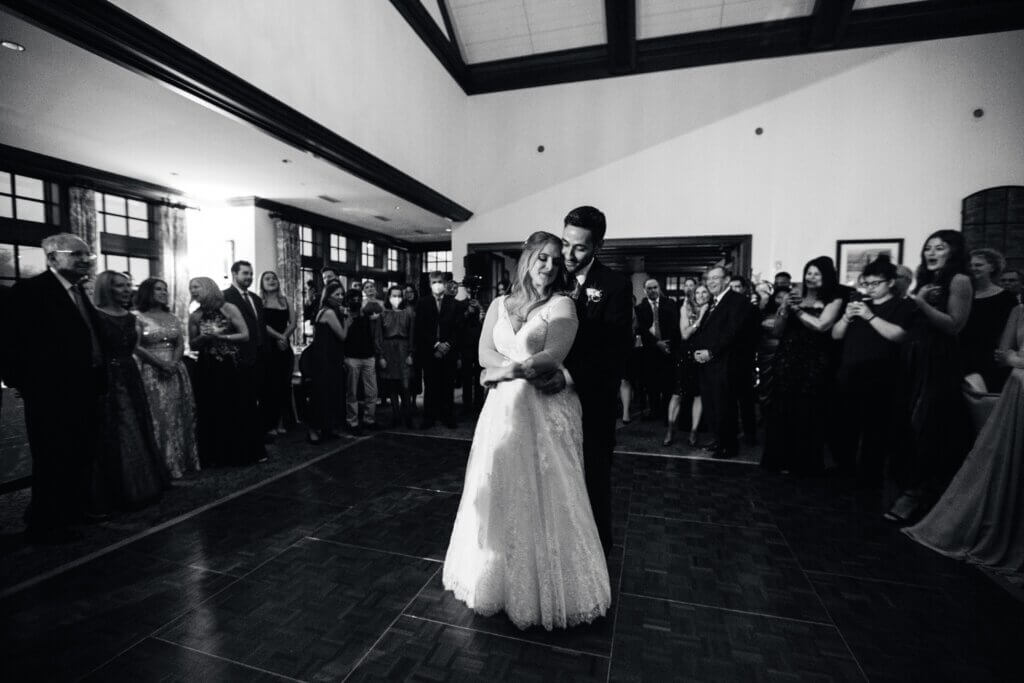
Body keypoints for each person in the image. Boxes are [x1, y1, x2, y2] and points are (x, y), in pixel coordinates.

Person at [442, 230, 611, 630]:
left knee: (548, 489)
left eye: (556, 260)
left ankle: (550, 588)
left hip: (544, 406)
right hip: (502, 409)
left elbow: (554, 354)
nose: (550, 267)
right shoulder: (500, 303)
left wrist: (508, 371)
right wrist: (499, 370)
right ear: (528, 259)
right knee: (498, 484)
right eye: (543, 258)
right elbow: (483, 351)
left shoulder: (563, 304)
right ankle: (495, 579)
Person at [903, 304, 1024, 582]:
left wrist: (1015, 359)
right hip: (1017, 392)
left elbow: (1010, 356)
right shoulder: (1018, 310)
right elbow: (1001, 355)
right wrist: (1014, 360)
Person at [536, 205, 632, 554]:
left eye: (580, 247)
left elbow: (616, 353)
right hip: (547, 402)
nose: (569, 254)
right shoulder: (549, 278)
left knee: (592, 483)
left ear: (598, 246)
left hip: (591, 403)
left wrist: (570, 378)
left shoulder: (615, 286)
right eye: (566, 243)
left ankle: (597, 561)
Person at [8, 234, 103, 543]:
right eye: (76, 254)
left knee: (80, 453)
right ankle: (45, 523)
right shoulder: (31, 292)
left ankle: (72, 511)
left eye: (87, 255)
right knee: (52, 457)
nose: (85, 260)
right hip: (50, 393)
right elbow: (11, 343)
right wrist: (23, 383)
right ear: (52, 258)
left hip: (84, 389)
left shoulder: (78, 292)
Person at [887, 230, 974, 524]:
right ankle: (909, 489)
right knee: (906, 425)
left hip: (938, 363)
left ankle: (920, 494)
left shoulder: (959, 281)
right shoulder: (926, 281)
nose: (931, 252)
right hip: (913, 359)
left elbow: (954, 325)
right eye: (928, 248)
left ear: (954, 251)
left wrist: (920, 303)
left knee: (927, 427)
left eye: (940, 247)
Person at [830, 256, 915, 485]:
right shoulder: (859, 304)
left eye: (874, 283)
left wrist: (870, 316)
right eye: (866, 283)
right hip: (850, 374)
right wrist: (847, 317)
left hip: (881, 377)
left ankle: (870, 476)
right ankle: (844, 470)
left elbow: (899, 335)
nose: (869, 288)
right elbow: (836, 335)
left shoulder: (903, 305)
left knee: (876, 431)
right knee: (846, 427)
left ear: (889, 282)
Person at [89, 271, 167, 512]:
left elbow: (133, 347)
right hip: (108, 376)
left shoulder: (130, 317)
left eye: (127, 285)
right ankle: (119, 489)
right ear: (106, 288)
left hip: (129, 372)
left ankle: (144, 483)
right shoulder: (96, 316)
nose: (125, 290)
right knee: (118, 429)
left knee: (138, 424)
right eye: (119, 286)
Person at [760, 257, 843, 474]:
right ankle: (780, 459)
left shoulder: (833, 300)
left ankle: (803, 463)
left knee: (807, 411)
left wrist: (797, 311)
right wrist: (784, 310)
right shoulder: (795, 298)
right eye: (808, 272)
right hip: (787, 358)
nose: (811, 277)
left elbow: (822, 325)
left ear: (826, 276)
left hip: (814, 361)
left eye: (816, 273)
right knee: (782, 409)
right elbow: (777, 331)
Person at [189, 276, 264, 466]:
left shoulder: (229, 308)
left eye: (196, 286)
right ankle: (216, 455)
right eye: (191, 288)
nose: (193, 291)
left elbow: (245, 334)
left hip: (231, 365)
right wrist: (203, 339)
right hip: (207, 367)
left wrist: (222, 336)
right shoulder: (195, 315)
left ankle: (242, 453)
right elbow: (192, 344)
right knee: (212, 409)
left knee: (237, 407)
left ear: (208, 287)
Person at [134, 277, 199, 479]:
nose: (163, 292)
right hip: (152, 371)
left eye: (165, 289)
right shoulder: (137, 317)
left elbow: (180, 343)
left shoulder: (172, 317)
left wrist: (173, 362)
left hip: (175, 370)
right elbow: (136, 346)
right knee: (159, 416)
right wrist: (160, 364)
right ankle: (162, 464)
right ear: (147, 292)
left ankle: (181, 460)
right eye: (158, 289)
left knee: (178, 415)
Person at [691, 266, 750, 460]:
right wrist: (698, 352)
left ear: (726, 279)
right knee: (712, 406)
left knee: (724, 407)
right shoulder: (713, 302)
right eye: (709, 279)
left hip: (725, 365)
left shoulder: (737, 300)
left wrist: (711, 352)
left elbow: (732, 332)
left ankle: (728, 447)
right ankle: (718, 440)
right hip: (709, 365)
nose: (711, 282)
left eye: (716, 278)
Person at [222, 260, 269, 450]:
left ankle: (258, 434)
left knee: (259, 395)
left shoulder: (256, 299)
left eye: (250, 274)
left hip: (259, 354)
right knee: (244, 399)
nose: (249, 277)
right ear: (234, 274)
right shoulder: (225, 297)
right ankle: (246, 438)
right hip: (239, 356)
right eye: (245, 274)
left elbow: (261, 327)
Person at [960, 248, 1017, 393]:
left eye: (978, 265)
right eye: (970, 265)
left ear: (992, 267)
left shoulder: (1006, 298)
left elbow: (1010, 330)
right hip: (961, 354)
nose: (973, 268)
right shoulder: (963, 294)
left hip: (990, 358)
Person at [413, 271, 460, 429]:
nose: (437, 285)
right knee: (431, 385)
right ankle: (429, 417)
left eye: (439, 281)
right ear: (429, 284)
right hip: (430, 350)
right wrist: (435, 344)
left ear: (445, 283)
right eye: (434, 282)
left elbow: (456, 329)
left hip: (449, 350)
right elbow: (420, 328)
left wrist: (447, 345)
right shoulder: (422, 302)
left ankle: (447, 416)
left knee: (447, 385)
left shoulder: (453, 303)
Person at [665, 284, 710, 447]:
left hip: (704, 355)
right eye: (698, 292)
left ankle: (694, 431)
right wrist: (701, 317)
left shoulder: (714, 308)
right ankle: (670, 429)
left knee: (699, 394)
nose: (701, 295)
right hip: (686, 355)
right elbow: (685, 333)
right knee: (678, 393)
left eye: (704, 292)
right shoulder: (686, 308)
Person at [305, 281, 349, 443]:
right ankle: (313, 429)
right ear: (327, 296)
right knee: (322, 394)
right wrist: (347, 320)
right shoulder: (329, 312)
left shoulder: (330, 310)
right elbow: (343, 336)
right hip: (325, 359)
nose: (340, 297)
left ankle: (326, 428)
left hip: (329, 357)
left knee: (331, 394)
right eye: (336, 294)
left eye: (341, 294)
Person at [636, 278, 680, 421]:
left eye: (655, 287)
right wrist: (657, 343)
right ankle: (655, 411)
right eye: (649, 288)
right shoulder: (639, 308)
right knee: (652, 383)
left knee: (668, 382)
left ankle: (666, 412)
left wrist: (667, 343)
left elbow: (675, 325)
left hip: (668, 348)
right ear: (644, 290)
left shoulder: (670, 304)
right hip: (650, 350)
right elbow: (641, 330)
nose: (652, 290)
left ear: (659, 288)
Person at [259, 271, 297, 435]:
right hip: (268, 347)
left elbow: (293, 322)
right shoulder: (259, 301)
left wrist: (285, 338)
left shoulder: (286, 300)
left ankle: (282, 421)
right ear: (262, 283)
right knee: (269, 386)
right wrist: (279, 337)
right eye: (267, 279)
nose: (272, 280)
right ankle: (270, 424)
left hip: (284, 347)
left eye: (274, 278)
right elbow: (262, 324)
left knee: (283, 385)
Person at [381, 285, 415, 428]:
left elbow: (413, 334)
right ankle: (395, 416)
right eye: (393, 296)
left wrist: (411, 353)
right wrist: (381, 356)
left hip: (404, 348)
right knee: (392, 386)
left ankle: (407, 417)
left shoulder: (409, 312)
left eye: (399, 295)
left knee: (405, 386)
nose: (396, 298)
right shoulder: (383, 313)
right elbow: (379, 335)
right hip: (388, 349)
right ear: (389, 297)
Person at [455, 290, 485, 416]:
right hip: (466, 345)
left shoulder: (483, 303)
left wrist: (481, 310)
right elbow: (457, 324)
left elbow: (487, 324)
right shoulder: (461, 304)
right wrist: (467, 313)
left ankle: (479, 406)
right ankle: (466, 406)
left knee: (479, 377)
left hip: (480, 345)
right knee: (466, 377)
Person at [403, 284, 423, 403]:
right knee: (405, 372)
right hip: (404, 342)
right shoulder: (401, 306)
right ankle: (406, 399)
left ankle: (414, 399)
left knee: (416, 373)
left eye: (411, 292)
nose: (409, 294)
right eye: (406, 292)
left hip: (418, 343)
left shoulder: (420, 305)